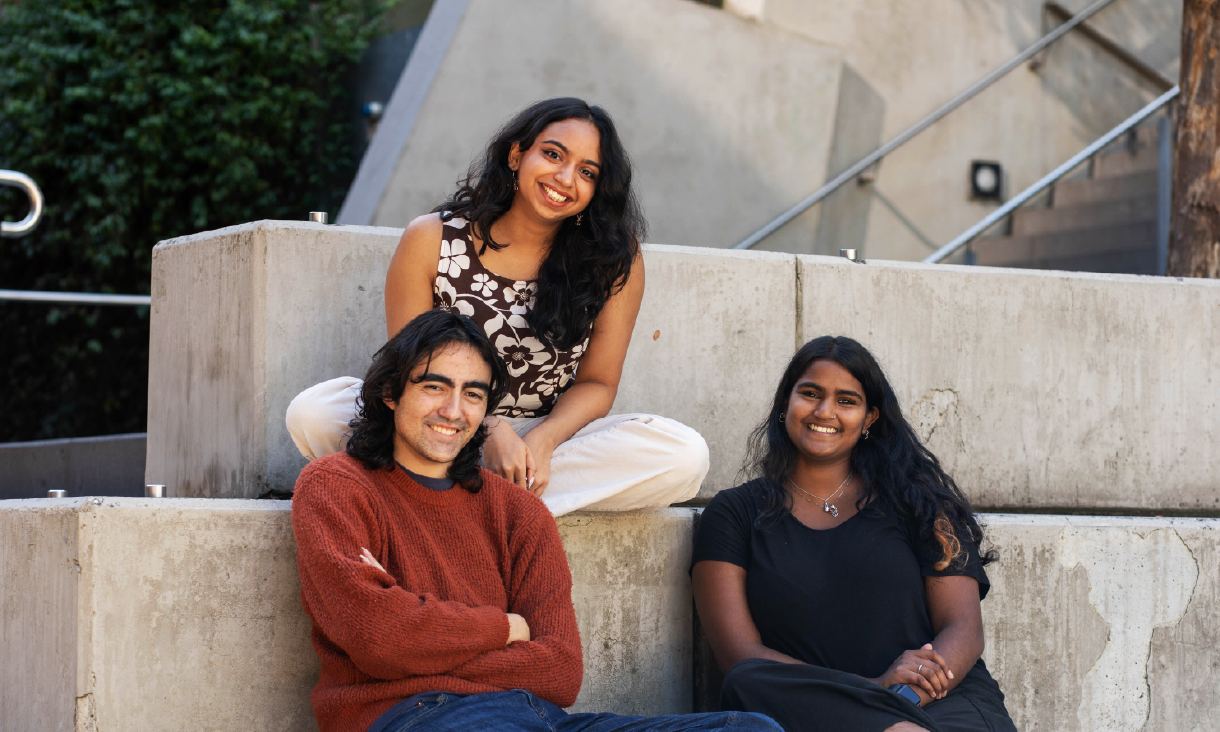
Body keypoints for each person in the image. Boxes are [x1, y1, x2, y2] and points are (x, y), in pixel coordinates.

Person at [291, 309, 780, 732]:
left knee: (754, 728)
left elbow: (561, 673)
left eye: (473, 395)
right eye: (434, 386)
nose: (453, 410)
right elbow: (379, 639)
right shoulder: (337, 486)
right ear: (392, 394)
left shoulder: (518, 511)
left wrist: (422, 637)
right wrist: (506, 628)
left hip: (537, 717)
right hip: (413, 715)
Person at [287, 97, 707, 516]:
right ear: (516, 154)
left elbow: (597, 383)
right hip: (436, 419)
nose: (564, 178)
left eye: (587, 172)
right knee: (316, 412)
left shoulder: (613, 261)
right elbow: (410, 367)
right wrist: (486, 428)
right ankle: (492, 499)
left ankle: (445, 496)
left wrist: (542, 442)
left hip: (539, 438)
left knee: (683, 454)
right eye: (553, 154)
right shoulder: (434, 238)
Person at [690, 336, 1016, 732]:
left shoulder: (920, 502)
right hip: (823, 710)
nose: (825, 411)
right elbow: (740, 655)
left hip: (936, 703)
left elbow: (964, 629)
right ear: (786, 403)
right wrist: (874, 688)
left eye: (846, 400)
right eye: (810, 393)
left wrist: (906, 694)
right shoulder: (733, 514)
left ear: (870, 418)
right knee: (748, 680)